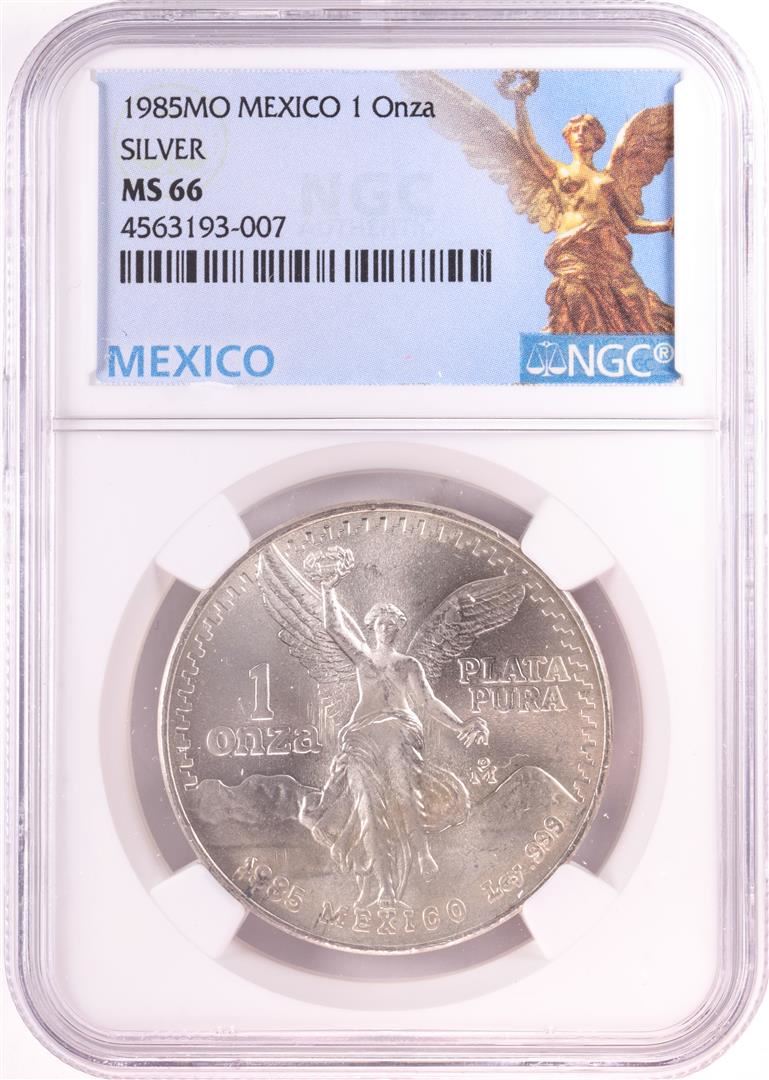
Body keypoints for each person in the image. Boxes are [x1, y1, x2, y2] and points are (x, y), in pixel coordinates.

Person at [299, 584, 487, 906]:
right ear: (372, 627)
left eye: (392, 624)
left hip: (399, 727)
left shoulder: (408, 664)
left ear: (399, 628)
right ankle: (385, 888)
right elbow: (334, 626)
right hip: (361, 734)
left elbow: (428, 702)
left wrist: (461, 725)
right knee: (367, 809)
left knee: (403, 791)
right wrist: (328, 587)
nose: (386, 628)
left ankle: (423, 853)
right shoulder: (361, 658)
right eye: (381, 623)